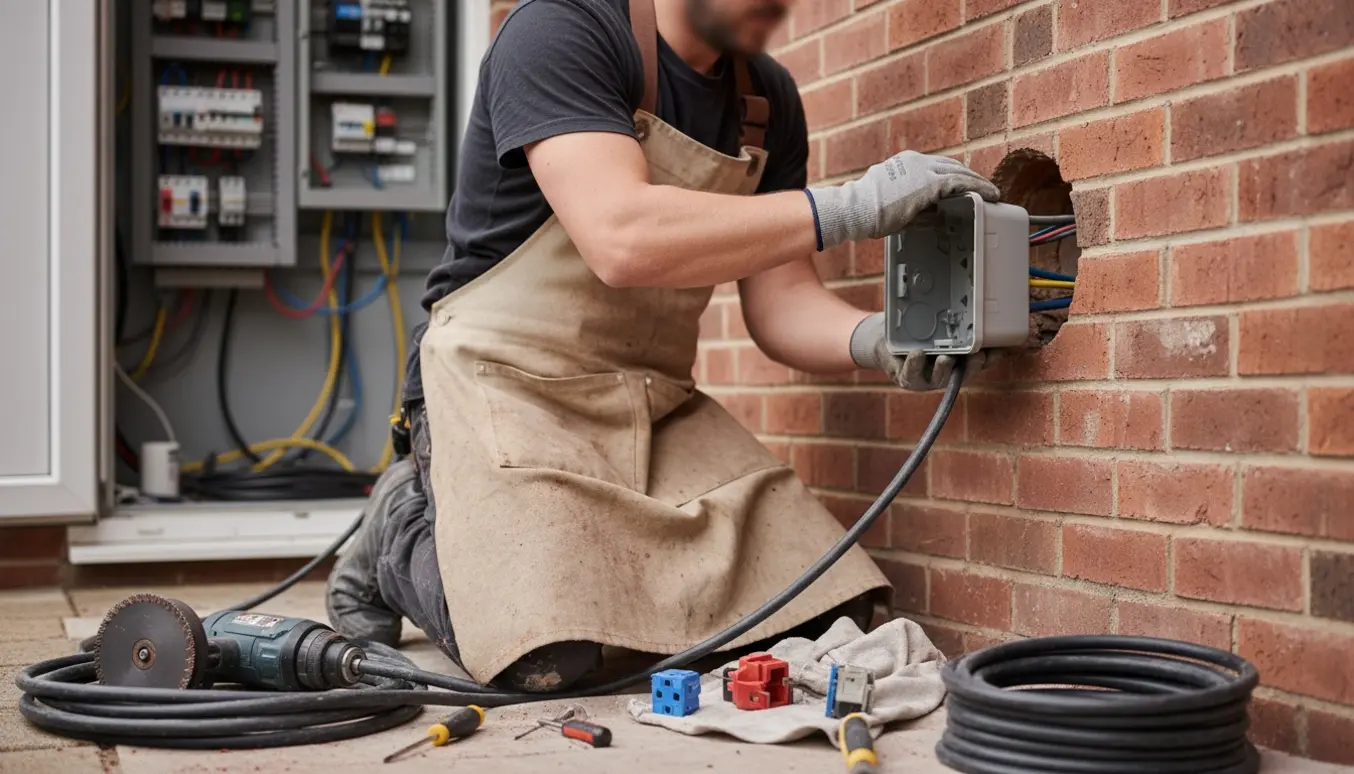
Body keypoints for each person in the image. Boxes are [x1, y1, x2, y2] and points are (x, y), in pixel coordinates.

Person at [326, 0, 1001, 692]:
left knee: (829, 615)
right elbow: (621, 236)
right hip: (504, 382)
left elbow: (781, 302)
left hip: (653, 401)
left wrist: (880, 341)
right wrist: (850, 208)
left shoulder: (765, 104)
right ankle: (400, 530)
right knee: (544, 659)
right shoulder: (562, 29)